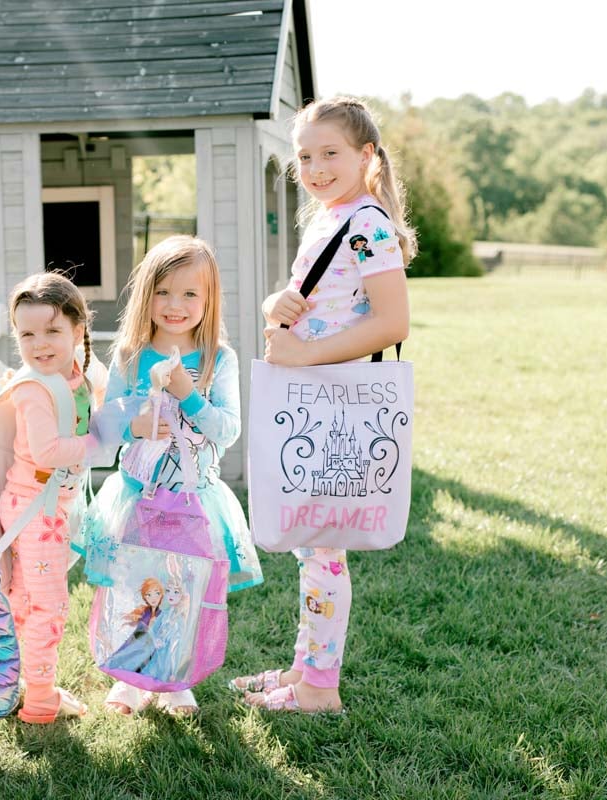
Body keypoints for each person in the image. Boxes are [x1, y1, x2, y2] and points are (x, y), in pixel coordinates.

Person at [234, 96, 414, 714]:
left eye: (329, 153)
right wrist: (274, 307)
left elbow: (392, 321)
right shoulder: (331, 218)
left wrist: (306, 357)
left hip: (333, 402)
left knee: (322, 549)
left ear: (366, 156)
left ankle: (318, 687)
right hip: (313, 400)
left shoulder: (367, 223)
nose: (313, 167)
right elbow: (313, 297)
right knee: (313, 547)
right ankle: (304, 666)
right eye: (304, 156)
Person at [77, 235, 263, 717]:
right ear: (147, 295)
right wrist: (133, 421)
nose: (174, 305)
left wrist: (190, 394)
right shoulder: (130, 356)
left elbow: (228, 430)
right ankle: (132, 677)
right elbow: (103, 425)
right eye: (163, 292)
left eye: (189, 295)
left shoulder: (219, 360)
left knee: (182, 588)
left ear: (208, 300)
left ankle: (176, 678)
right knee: (134, 583)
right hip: (138, 497)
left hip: (192, 499)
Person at [1, 272, 99, 724]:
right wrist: (100, 443)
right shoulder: (33, 387)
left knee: (27, 600)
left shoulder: (75, 376)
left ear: (79, 330)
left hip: (47, 508)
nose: (40, 344)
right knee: (47, 604)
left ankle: (19, 683)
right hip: (34, 509)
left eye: (53, 331)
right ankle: (40, 698)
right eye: (27, 334)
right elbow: (47, 451)